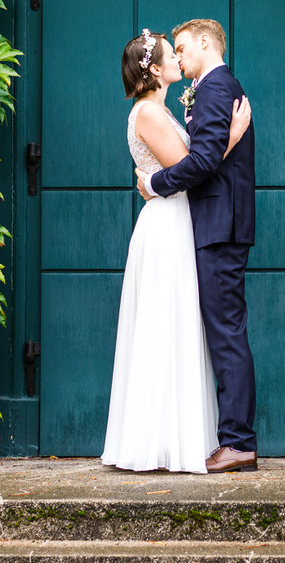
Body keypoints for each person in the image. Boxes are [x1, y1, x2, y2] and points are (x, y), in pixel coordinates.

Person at [101, 28, 252, 474]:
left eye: (180, 50)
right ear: (154, 69)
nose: (178, 59)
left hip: (184, 223)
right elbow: (189, 168)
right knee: (164, 328)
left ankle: (194, 437)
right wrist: (231, 138)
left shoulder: (166, 110)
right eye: (172, 54)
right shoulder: (148, 113)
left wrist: (225, 139)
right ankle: (159, 441)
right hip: (167, 227)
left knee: (183, 328)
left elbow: (194, 165)